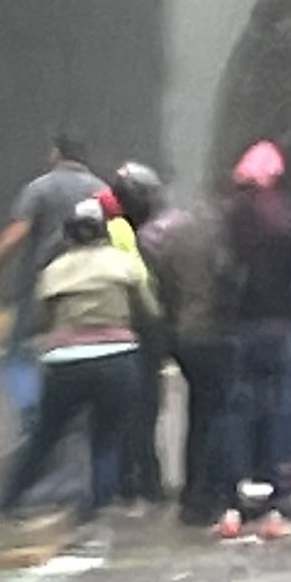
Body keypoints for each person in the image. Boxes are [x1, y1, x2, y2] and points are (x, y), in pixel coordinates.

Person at [0, 198, 159, 520]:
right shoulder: (122, 265)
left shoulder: (54, 272)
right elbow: (149, 312)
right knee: (107, 436)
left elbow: (40, 320)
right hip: (116, 359)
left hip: (65, 364)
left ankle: (10, 500)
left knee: (46, 434)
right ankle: (97, 507)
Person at [0, 133, 107, 434]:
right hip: (89, 287)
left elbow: (15, 235)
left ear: (56, 154)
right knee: (77, 350)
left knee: (20, 355)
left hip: (40, 286)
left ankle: (33, 414)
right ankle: (74, 418)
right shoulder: (102, 191)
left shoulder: (41, 188)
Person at [225, 141, 291, 539]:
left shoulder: (235, 217)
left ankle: (235, 499)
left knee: (239, 412)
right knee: (277, 410)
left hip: (243, 326)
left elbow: (221, 269)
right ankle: (275, 499)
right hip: (282, 328)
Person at [141, 184, 243, 530]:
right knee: (217, 414)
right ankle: (214, 493)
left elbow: (162, 286)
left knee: (198, 415)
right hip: (213, 333)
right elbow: (229, 280)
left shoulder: (171, 240)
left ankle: (191, 495)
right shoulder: (218, 237)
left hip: (182, 336)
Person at [109, 163, 166, 507]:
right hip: (136, 328)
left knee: (130, 409)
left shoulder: (115, 229)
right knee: (142, 408)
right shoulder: (129, 234)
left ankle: (129, 479)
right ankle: (142, 480)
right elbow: (142, 284)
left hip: (120, 329)